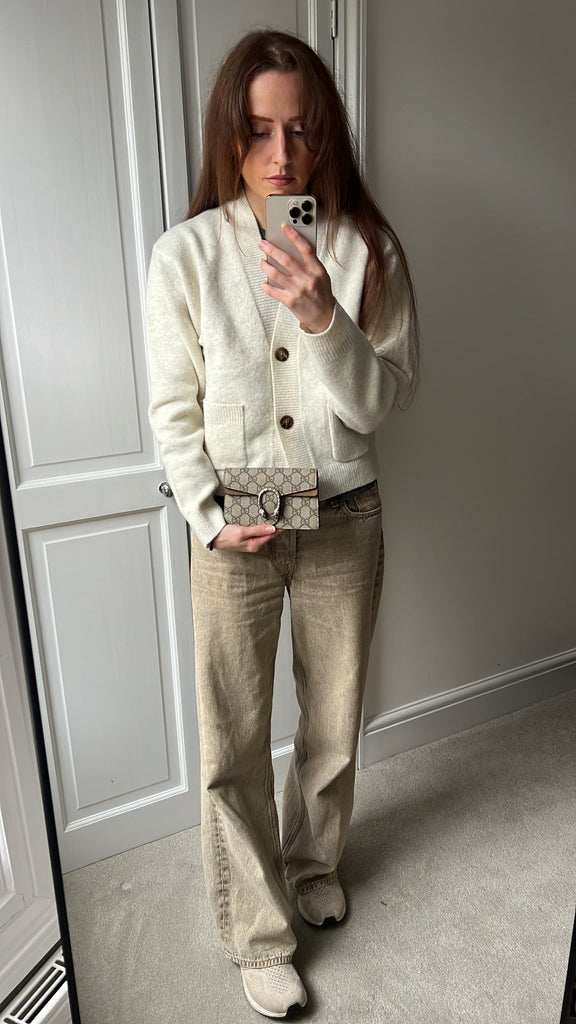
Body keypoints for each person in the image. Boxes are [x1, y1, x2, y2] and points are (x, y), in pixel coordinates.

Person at [146, 28, 419, 1019]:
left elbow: (381, 403)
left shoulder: (366, 248)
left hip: (344, 505)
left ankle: (313, 863)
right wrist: (208, 513)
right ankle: (258, 934)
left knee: (333, 722)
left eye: (300, 130)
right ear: (229, 133)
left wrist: (321, 318)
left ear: (325, 134)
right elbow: (173, 410)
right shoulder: (184, 255)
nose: (280, 155)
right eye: (258, 130)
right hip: (240, 516)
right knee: (234, 735)